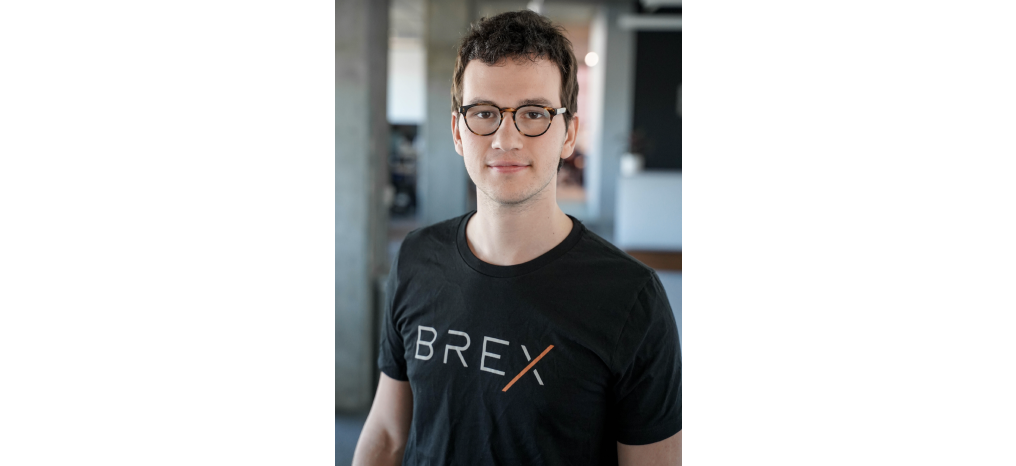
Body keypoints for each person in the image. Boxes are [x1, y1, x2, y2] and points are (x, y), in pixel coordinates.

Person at [353, 9, 681, 465]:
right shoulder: (416, 258)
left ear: (568, 134)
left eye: (533, 113)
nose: (506, 139)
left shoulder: (631, 300)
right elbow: (388, 434)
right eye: (484, 113)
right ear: (457, 131)